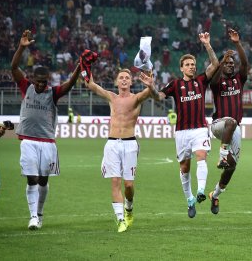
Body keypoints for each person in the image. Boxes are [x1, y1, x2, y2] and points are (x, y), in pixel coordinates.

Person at [11, 30, 80, 230]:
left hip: (47, 142)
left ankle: (40, 213)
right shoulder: (26, 87)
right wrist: (21, 47)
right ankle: (33, 216)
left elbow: (70, 84)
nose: (41, 84)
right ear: (33, 79)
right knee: (32, 179)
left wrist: (78, 67)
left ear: (47, 80)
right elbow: (14, 66)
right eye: (38, 81)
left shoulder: (53, 93)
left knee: (43, 180)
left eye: (44, 81)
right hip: (28, 141)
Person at [148, 32, 219, 218]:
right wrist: (151, 87)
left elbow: (215, 65)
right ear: (181, 68)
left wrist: (207, 45)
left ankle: (201, 190)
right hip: (181, 132)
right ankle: (189, 199)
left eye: (193, 65)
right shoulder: (175, 84)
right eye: (187, 65)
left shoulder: (201, 81)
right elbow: (158, 97)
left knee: (201, 156)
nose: (191, 67)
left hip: (200, 129)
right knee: (184, 168)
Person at [83, 68, 157, 232]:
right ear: (117, 82)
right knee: (115, 182)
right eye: (121, 77)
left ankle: (129, 208)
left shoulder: (137, 98)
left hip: (130, 144)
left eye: (127, 78)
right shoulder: (112, 97)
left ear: (131, 82)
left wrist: (151, 85)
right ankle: (120, 219)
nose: (124, 80)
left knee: (129, 185)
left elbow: (151, 93)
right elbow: (92, 86)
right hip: (112, 144)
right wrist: (86, 68)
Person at [207, 28, 249, 215]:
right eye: (227, 63)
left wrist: (237, 44)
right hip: (218, 125)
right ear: (222, 65)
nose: (230, 65)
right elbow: (213, 78)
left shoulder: (239, 79)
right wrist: (221, 60)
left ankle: (215, 195)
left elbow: (245, 63)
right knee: (231, 121)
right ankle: (222, 153)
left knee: (232, 167)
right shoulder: (217, 83)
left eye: (232, 63)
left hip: (234, 128)